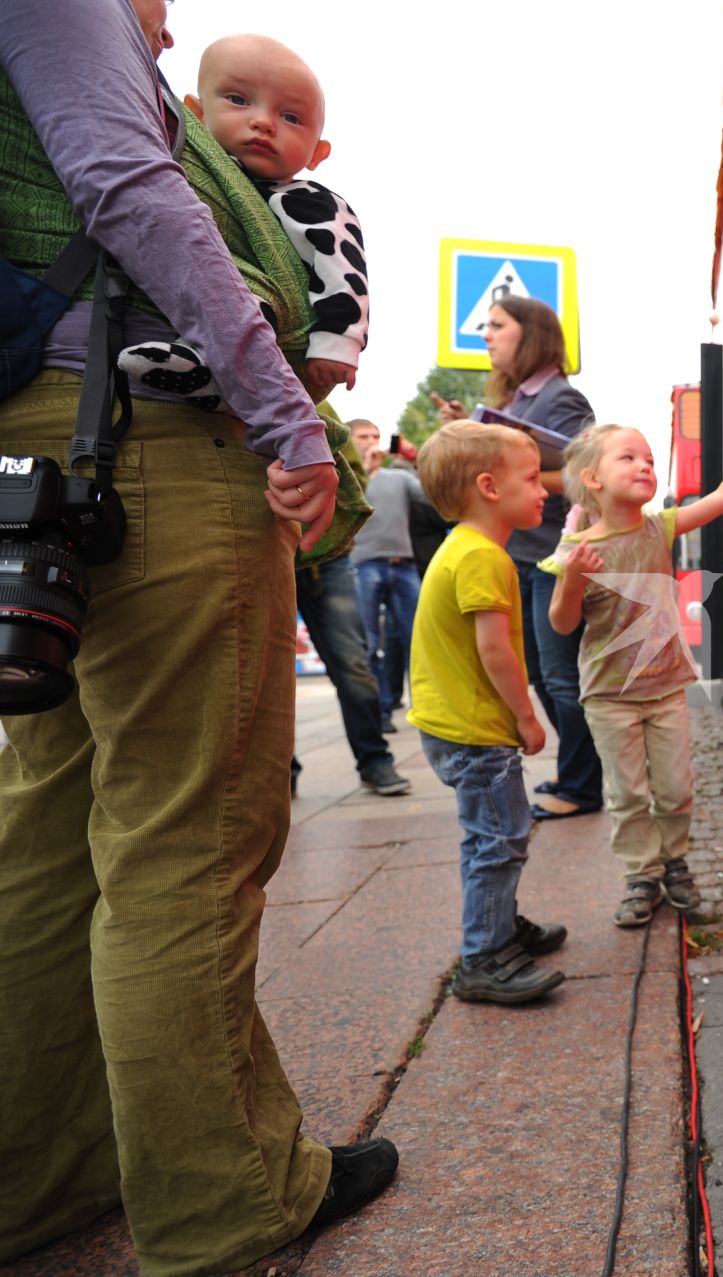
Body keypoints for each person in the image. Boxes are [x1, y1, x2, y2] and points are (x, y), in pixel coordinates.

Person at [0, 3, 395, 1273]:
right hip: (154, 445)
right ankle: (229, 1197)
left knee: (49, 832)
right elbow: (127, 188)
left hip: (44, 455)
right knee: (189, 834)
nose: (163, 26)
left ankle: (44, 1177)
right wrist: (285, 419)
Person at [547, 421, 723, 927]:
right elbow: (563, 623)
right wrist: (572, 579)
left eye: (651, 460)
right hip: (609, 696)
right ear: (592, 479)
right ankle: (641, 874)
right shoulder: (574, 551)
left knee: (676, 788)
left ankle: (674, 862)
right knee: (629, 792)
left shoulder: (660, 527)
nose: (645, 466)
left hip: (666, 689)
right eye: (629, 458)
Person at [117, 34, 369, 412]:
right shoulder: (186, 175)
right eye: (238, 100)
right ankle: (203, 376)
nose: (263, 122)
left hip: (287, 338)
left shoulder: (309, 201)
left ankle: (207, 372)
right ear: (196, 115)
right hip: (209, 329)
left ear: (317, 153)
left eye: (291, 118)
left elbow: (343, 267)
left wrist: (338, 342)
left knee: (245, 298)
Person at [408, 419, 569, 1003]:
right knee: (500, 839)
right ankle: (484, 956)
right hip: (475, 730)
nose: (545, 489)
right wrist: (528, 717)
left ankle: (499, 924)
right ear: (489, 487)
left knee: (492, 835)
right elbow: (494, 650)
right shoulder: (483, 558)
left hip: (454, 722)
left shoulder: (465, 548)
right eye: (531, 478)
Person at [433, 296, 601, 821]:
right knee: (546, 677)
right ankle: (580, 774)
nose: (487, 335)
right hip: (526, 555)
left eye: (498, 327)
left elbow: (586, 477)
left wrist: (517, 476)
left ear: (530, 335)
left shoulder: (560, 398)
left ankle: (584, 785)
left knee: (560, 678)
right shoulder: (519, 401)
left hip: (553, 557)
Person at [294, 549, 413, 795]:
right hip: (262, 549)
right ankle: (281, 772)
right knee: (268, 674)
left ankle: (374, 760)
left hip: (326, 552)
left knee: (354, 663)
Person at [348, 418, 422, 726]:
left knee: (417, 640)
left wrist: (413, 460)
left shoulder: (399, 478)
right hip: (363, 565)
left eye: (375, 435)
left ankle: (425, 709)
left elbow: (433, 497)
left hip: (402, 565)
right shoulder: (347, 478)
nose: (371, 440)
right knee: (369, 642)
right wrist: (363, 468)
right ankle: (378, 714)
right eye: (363, 436)